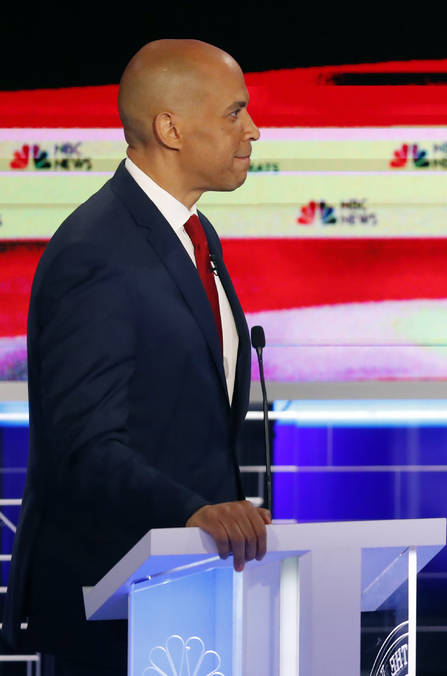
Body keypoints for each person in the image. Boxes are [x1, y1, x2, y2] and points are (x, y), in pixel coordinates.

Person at [4, 40, 270, 675]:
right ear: (169, 127)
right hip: (115, 604)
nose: (253, 130)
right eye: (235, 113)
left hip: (187, 595)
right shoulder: (97, 248)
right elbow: (83, 446)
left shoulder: (193, 234)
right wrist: (193, 511)